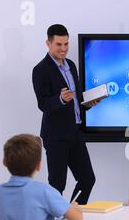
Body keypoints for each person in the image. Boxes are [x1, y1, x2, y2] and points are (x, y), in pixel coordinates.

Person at [32, 24, 99, 205]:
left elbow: (76, 99)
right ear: (48, 43)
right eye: (59, 44)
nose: (63, 49)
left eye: (66, 44)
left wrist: (88, 104)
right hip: (55, 136)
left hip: (75, 133)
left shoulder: (71, 65)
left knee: (87, 179)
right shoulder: (40, 70)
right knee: (57, 184)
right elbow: (43, 104)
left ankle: (72, 213)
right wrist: (60, 99)